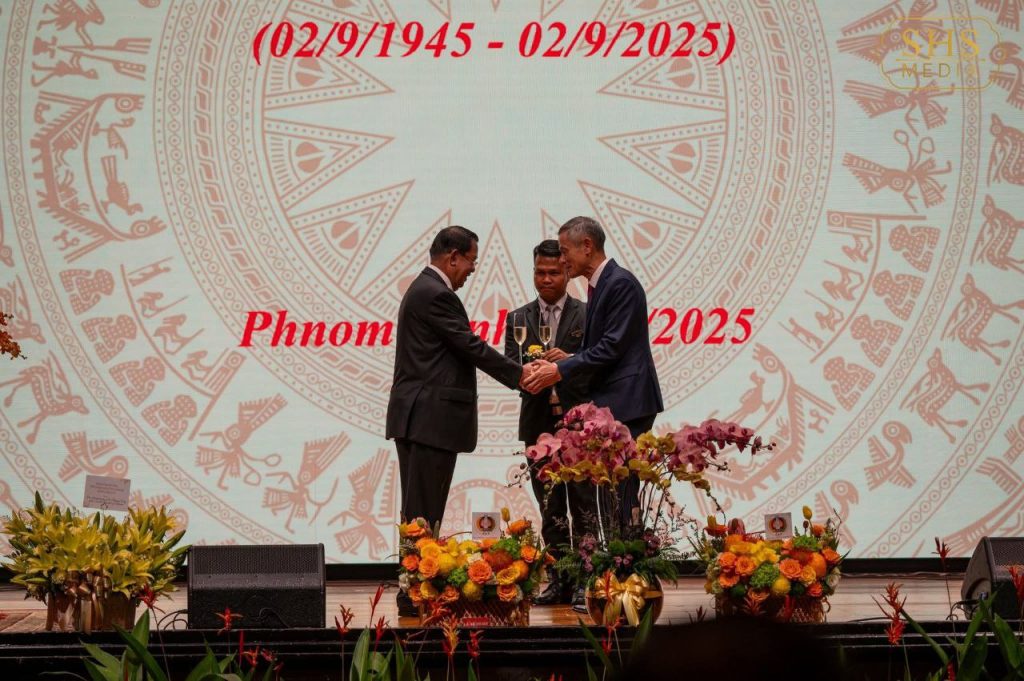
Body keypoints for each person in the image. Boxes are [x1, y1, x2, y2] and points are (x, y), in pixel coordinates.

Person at [386, 225, 536, 616]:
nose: (471, 269)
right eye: (471, 261)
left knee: (422, 511)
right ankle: (411, 593)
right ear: (453, 257)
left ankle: (415, 589)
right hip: (428, 419)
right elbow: (470, 346)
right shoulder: (436, 294)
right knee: (422, 512)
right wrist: (519, 374)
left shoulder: (424, 289)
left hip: (421, 417)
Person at [523, 216, 663, 540]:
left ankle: (631, 563)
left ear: (587, 246)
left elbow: (612, 347)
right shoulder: (601, 283)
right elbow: (603, 346)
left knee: (622, 492)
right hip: (616, 402)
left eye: (564, 251)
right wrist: (570, 358)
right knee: (611, 493)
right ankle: (618, 560)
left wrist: (560, 369)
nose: (562, 260)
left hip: (628, 403)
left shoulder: (620, 283)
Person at [504, 239, 594, 606]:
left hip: (579, 427)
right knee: (550, 506)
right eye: (539, 272)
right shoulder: (518, 318)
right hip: (537, 424)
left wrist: (567, 363)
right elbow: (510, 369)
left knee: (584, 505)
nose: (545, 279)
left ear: (567, 272)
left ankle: (588, 580)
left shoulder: (587, 314)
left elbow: (599, 365)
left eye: (553, 272)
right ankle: (560, 581)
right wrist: (531, 371)